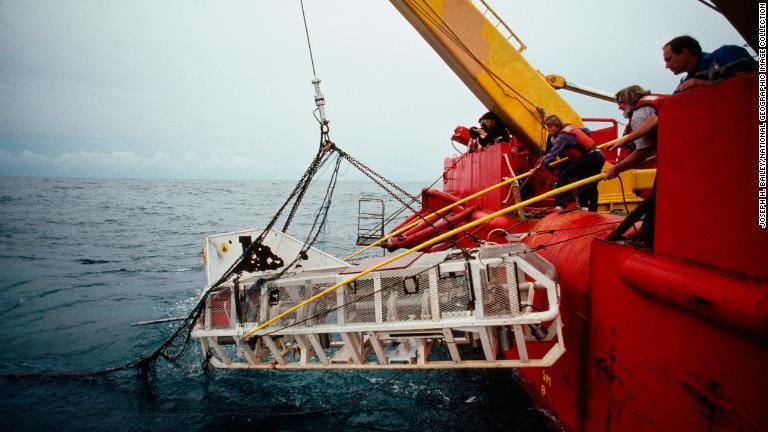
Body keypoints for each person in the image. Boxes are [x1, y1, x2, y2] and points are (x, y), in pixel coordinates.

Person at [604, 85, 662, 247]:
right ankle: (646, 234)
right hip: (682, 152)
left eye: (621, 102)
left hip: (674, 156)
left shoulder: (639, 114)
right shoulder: (654, 103)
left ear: (631, 99)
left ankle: (646, 237)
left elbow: (642, 152)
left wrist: (616, 168)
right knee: (655, 199)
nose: (619, 106)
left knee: (655, 199)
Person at [532, 115, 605, 212]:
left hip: (590, 157)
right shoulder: (569, 129)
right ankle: (590, 209)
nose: (549, 129)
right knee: (589, 183)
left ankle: (569, 203)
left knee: (564, 175)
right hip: (598, 156)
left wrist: (537, 168)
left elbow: (553, 154)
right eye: (548, 127)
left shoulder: (563, 136)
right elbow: (586, 130)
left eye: (550, 126)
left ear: (557, 125)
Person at [662, 35, 756, 93]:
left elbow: (749, 85)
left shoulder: (726, 53)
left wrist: (704, 85)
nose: (666, 66)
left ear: (684, 52)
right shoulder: (685, 84)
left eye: (669, 59)